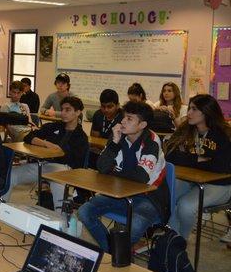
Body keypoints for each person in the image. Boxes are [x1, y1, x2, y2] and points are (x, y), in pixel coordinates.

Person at [78, 101, 169, 252]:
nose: (123, 122)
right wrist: (114, 142)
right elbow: (101, 167)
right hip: (120, 193)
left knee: (135, 227)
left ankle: (116, 253)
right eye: (124, 117)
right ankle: (113, 252)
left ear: (142, 125)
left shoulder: (151, 142)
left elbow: (141, 178)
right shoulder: (118, 136)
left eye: (129, 119)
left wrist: (114, 172)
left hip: (149, 197)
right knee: (84, 212)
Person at [165, 94, 231, 240]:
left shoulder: (223, 133)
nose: (188, 113)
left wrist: (187, 159)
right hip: (192, 180)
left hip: (220, 185)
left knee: (186, 206)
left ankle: (179, 242)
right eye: (189, 108)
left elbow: (223, 166)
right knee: (168, 195)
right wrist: (198, 159)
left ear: (207, 111)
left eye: (194, 109)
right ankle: (169, 238)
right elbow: (169, 155)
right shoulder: (186, 128)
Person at [4, 96, 89, 206]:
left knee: (58, 187)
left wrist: (59, 152)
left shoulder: (81, 137)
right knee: (12, 175)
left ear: (78, 112)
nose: (63, 113)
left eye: (67, 110)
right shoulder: (54, 126)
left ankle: (61, 219)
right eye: (62, 109)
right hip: (43, 164)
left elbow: (76, 162)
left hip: (64, 170)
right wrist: (46, 144)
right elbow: (28, 137)